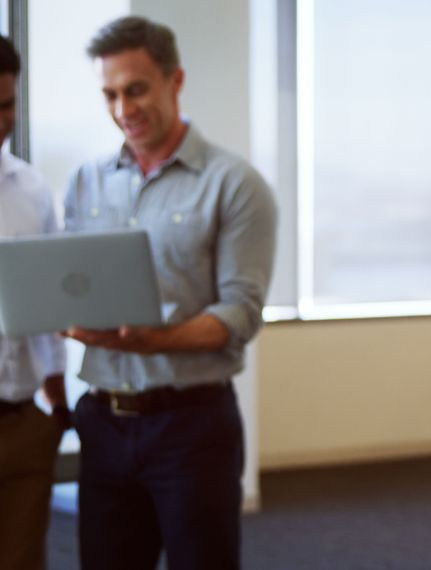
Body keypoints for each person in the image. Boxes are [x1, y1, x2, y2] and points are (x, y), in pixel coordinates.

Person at [63, 16, 277, 570]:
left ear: (174, 80)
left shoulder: (234, 183)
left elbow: (240, 314)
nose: (122, 108)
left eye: (136, 89)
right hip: (103, 421)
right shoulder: (86, 181)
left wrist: (151, 341)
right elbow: (72, 282)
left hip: (192, 427)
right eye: (109, 94)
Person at [0, 33, 69, 570]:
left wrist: (57, 393)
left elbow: (49, 302)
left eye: (5, 105)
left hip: (24, 421)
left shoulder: (32, 190)